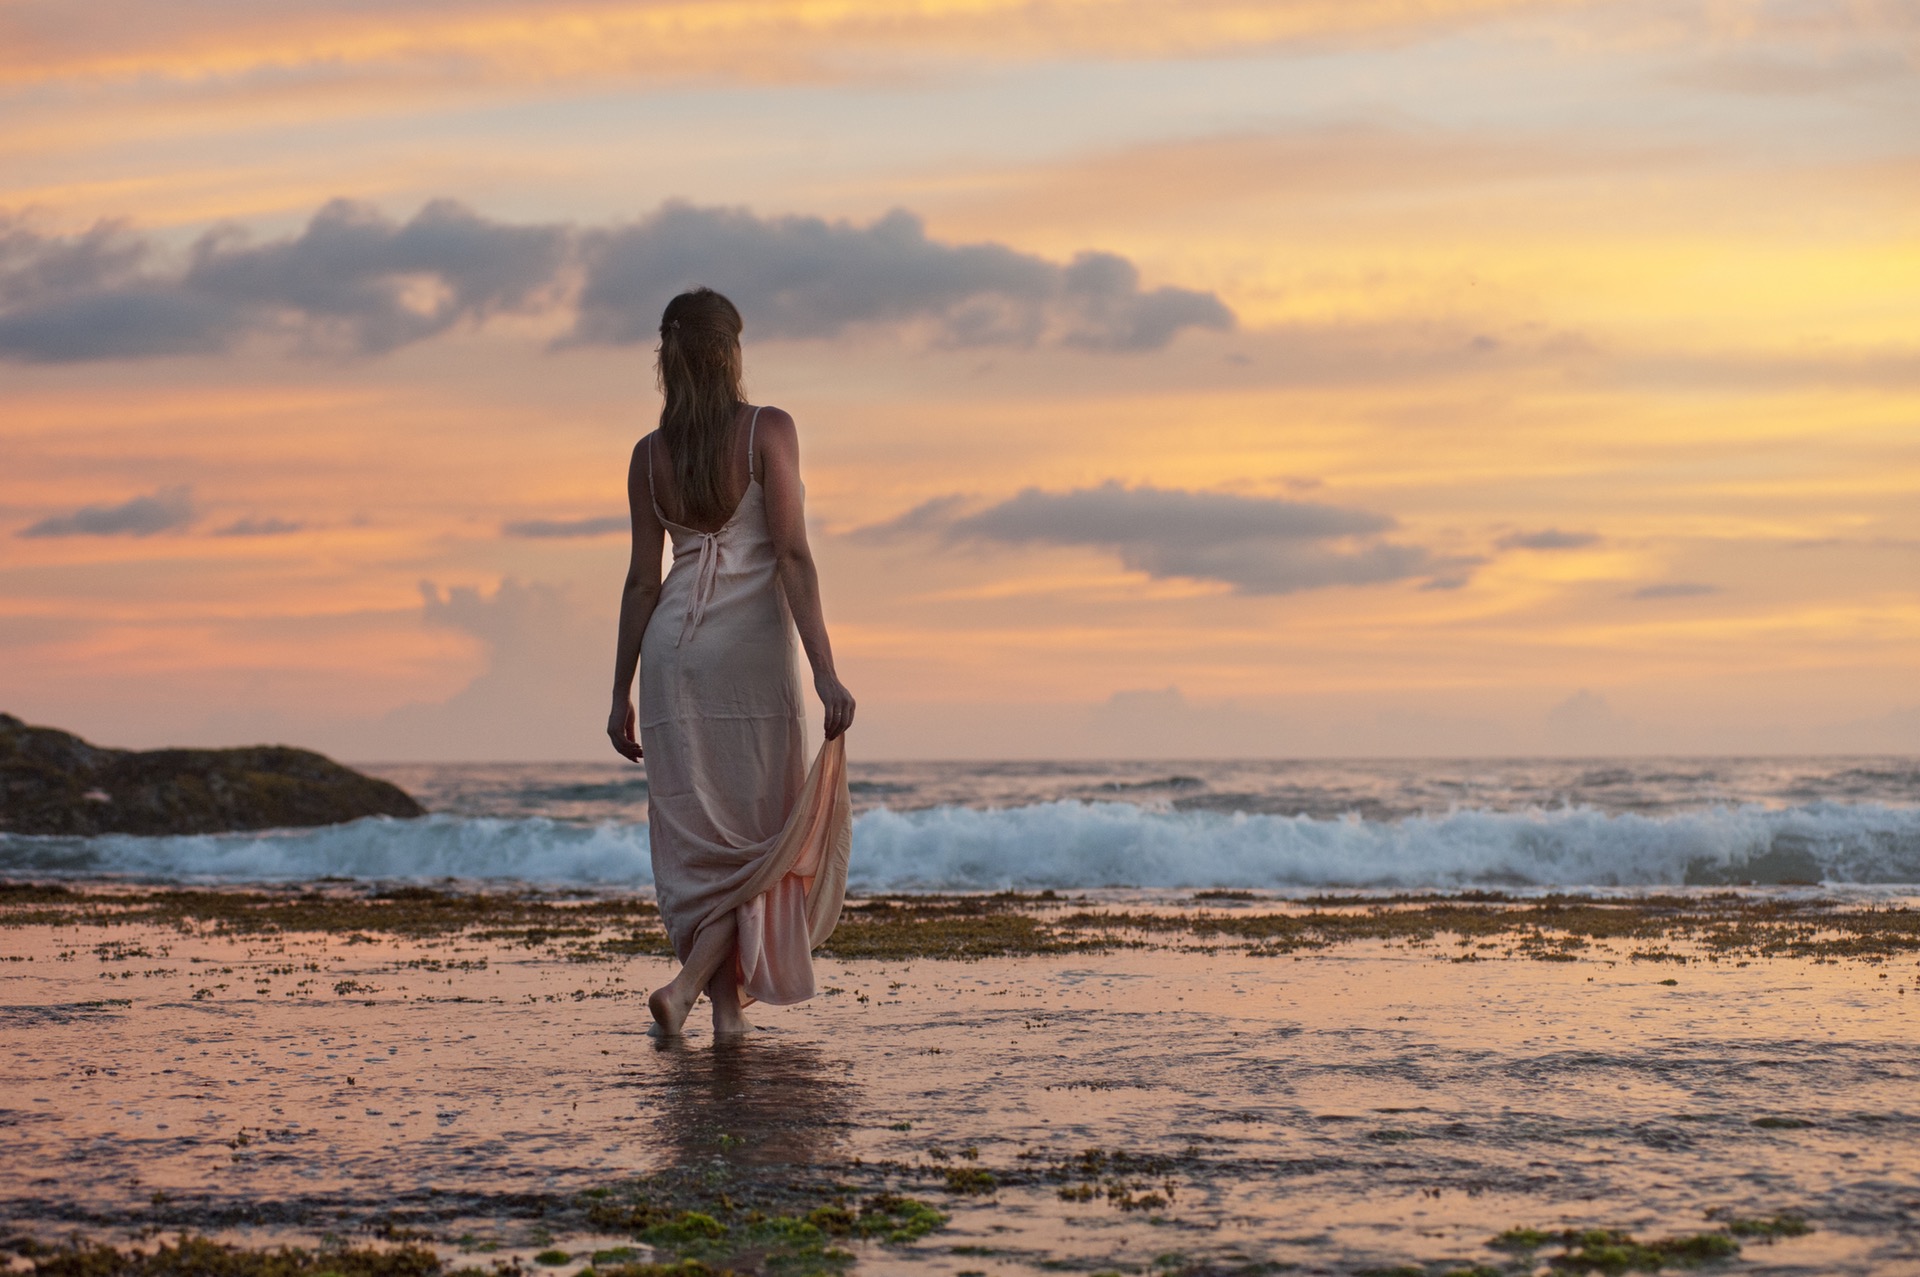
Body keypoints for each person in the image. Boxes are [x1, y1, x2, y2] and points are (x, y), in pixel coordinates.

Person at [606, 287, 856, 1039]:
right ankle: (687, 985)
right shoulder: (766, 430)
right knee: (770, 836)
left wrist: (618, 689)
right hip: (747, 656)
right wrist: (825, 669)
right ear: (731, 353)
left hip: (671, 657)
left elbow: (642, 580)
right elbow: (791, 554)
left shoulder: (649, 456)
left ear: (668, 358)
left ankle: (719, 1012)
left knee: (706, 842)